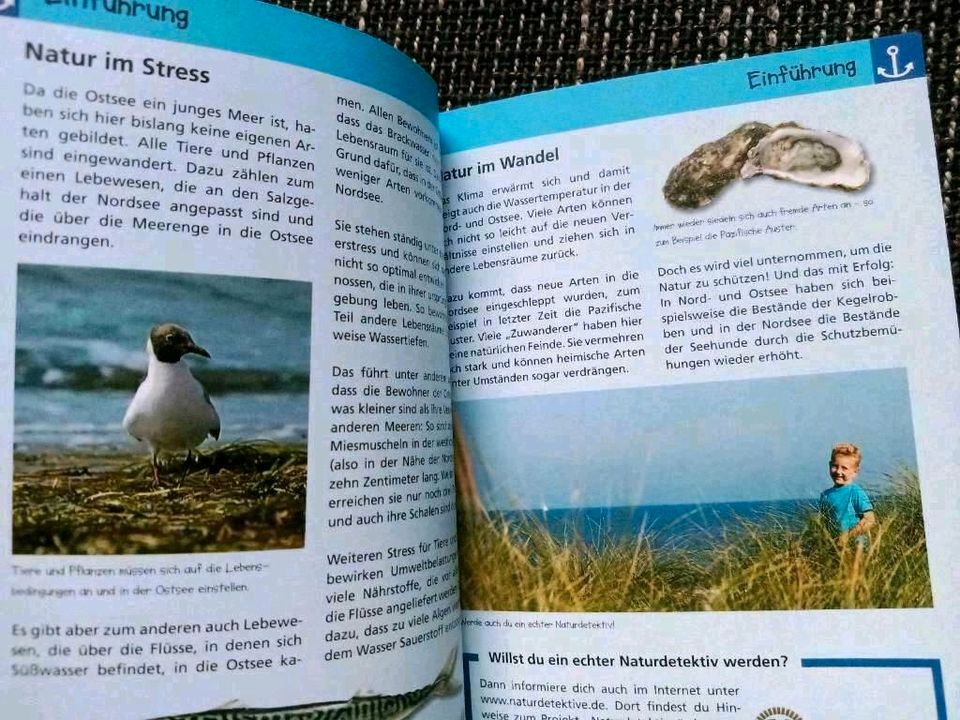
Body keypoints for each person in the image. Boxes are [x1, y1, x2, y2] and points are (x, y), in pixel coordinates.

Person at [819, 443, 876, 546]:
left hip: (856, 542)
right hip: (834, 545)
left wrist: (847, 536)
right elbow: (824, 523)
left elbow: (869, 519)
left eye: (844, 468)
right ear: (829, 465)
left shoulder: (855, 492)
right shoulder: (825, 495)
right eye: (835, 466)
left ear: (855, 472)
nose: (838, 471)